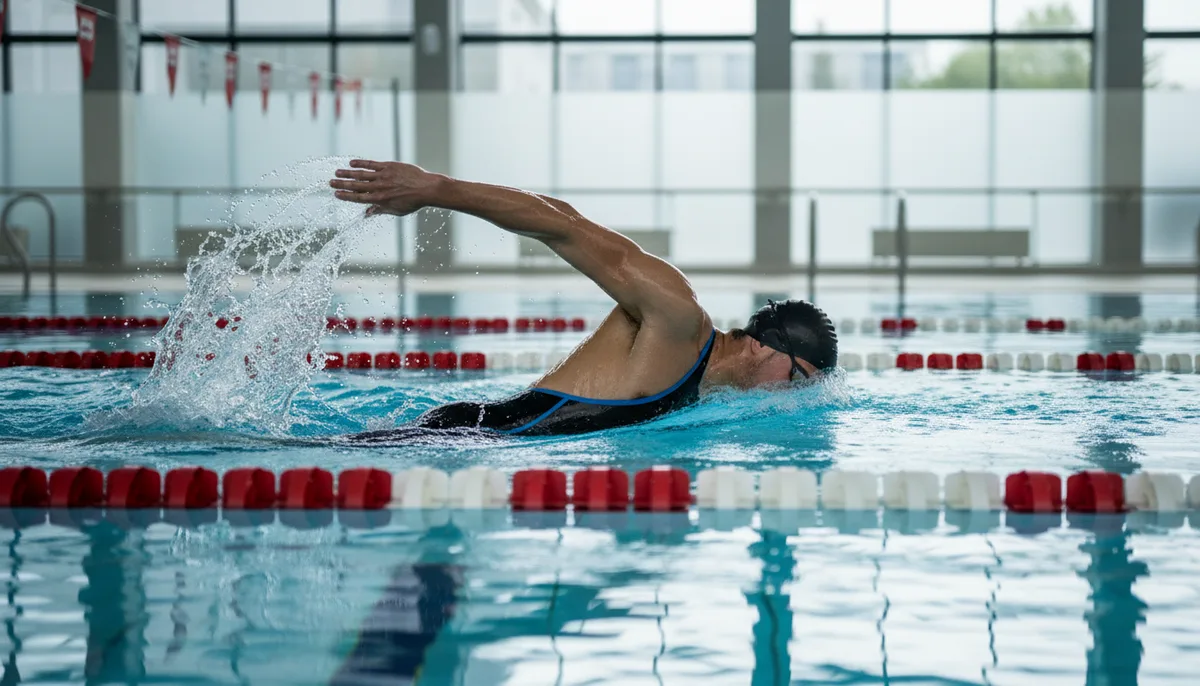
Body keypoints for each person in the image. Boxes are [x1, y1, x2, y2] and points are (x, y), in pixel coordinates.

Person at [330, 160, 837, 437]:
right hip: (466, 434)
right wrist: (435, 189)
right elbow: (563, 225)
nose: (790, 396)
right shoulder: (678, 315)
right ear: (763, 345)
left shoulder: (707, 385)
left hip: (486, 442)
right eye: (796, 378)